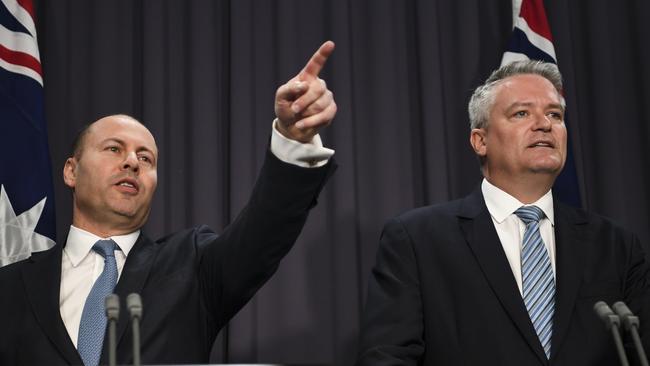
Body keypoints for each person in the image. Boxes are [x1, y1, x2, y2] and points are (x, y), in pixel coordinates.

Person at [0, 41, 337, 366]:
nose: (132, 162)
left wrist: (294, 139)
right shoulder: (11, 286)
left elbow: (266, 228)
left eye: (146, 158)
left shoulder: (193, 267)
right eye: (114, 149)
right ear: (71, 171)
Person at [357, 60, 650, 365]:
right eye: (521, 113)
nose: (544, 124)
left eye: (555, 114)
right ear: (480, 141)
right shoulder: (417, 240)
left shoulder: (615, 245)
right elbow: (386, 357)